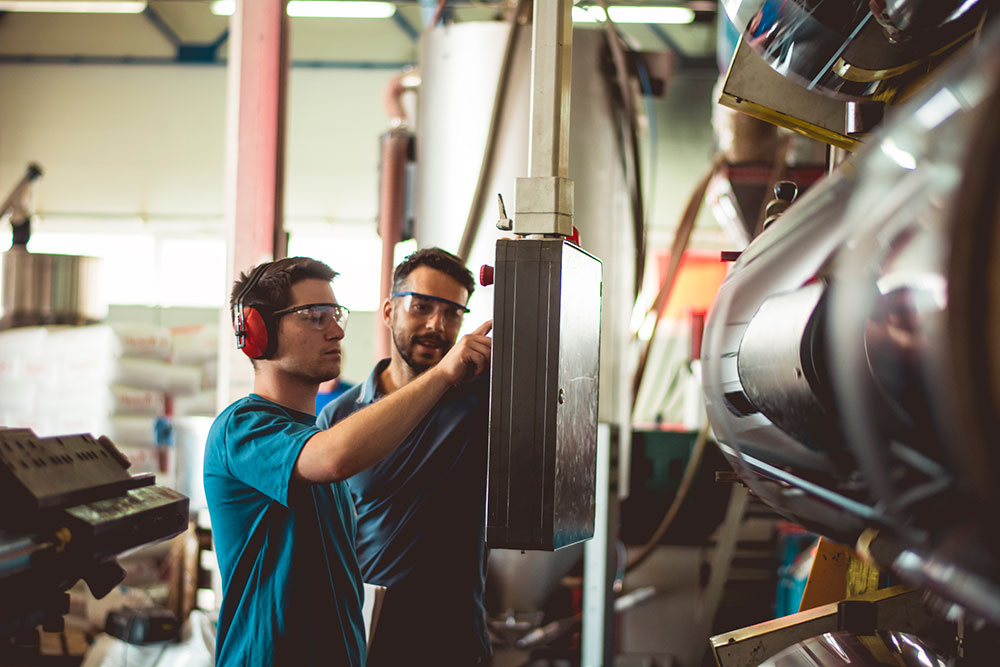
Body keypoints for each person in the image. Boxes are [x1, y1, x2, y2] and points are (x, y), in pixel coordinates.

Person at [203, 256, 491, 667]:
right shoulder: (242, 428)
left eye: (336, 315)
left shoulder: (317, 436)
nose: (336, 331)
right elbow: (335, 457)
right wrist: (444, 375)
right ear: (257, 332)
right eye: (315, 317)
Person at [317, 248, 492, 666]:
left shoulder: (480, 403)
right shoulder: (341, 417)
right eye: (422, 306)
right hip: (364, 634)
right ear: (389, 310)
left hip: (454, 640)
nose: (437, 324)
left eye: (452, 313)